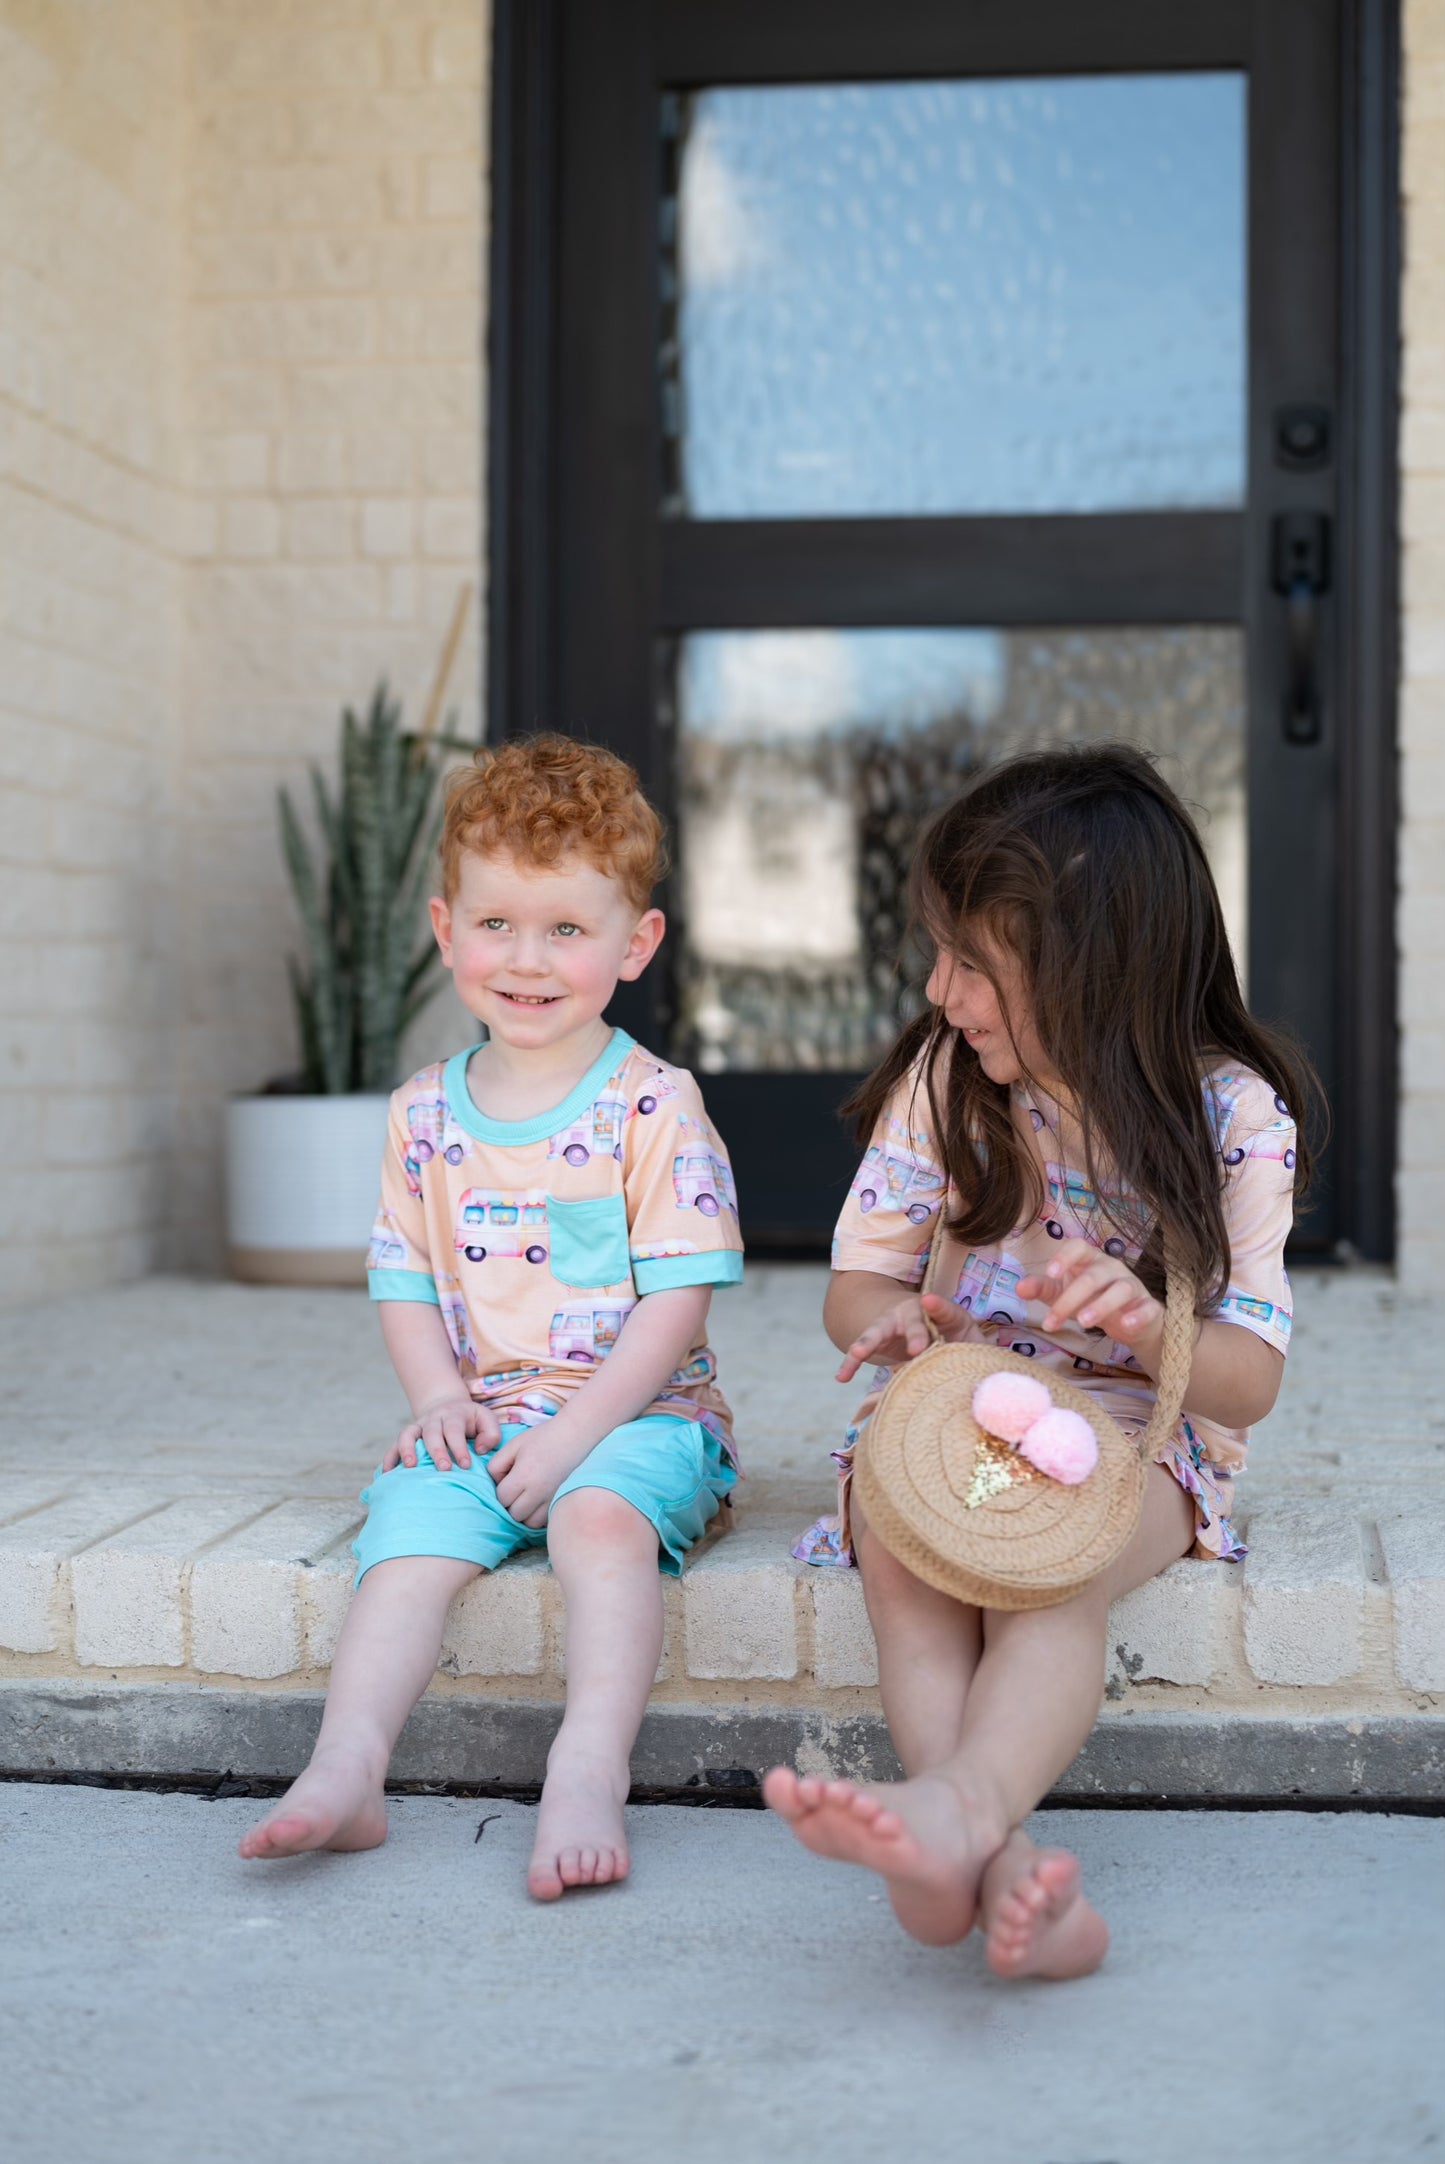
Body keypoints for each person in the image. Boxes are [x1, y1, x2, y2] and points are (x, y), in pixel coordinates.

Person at [770, 744, 1314, 1979]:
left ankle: (955, 1825)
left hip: (1140, 1428)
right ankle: (990, 1857)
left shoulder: (1231, 1119)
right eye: (938, 950)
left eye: (973, 963)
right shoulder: (947, 1079)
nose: (937, 986)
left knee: (1050, 1569)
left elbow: (1249, 1383)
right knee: (902, 1548)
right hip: (960, 1407)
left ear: (1091, 971)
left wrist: (1140, 1324)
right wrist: (896, 1320)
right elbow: (854, 1285)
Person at [240, 735, 743, 1896]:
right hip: (487, 1412)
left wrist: (573, 1442)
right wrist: (437, 1401)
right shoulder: (421, 1113)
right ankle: (348, 1767)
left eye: (567, 928)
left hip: (641, 1415)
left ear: (635, 943)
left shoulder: (651, 1105)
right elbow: (406, 1278)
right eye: (497, 924)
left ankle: (584, 1765)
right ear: (443, 926)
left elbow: (677, 1299)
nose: (527, 959)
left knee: (598, 1523)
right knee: (406, 1543)